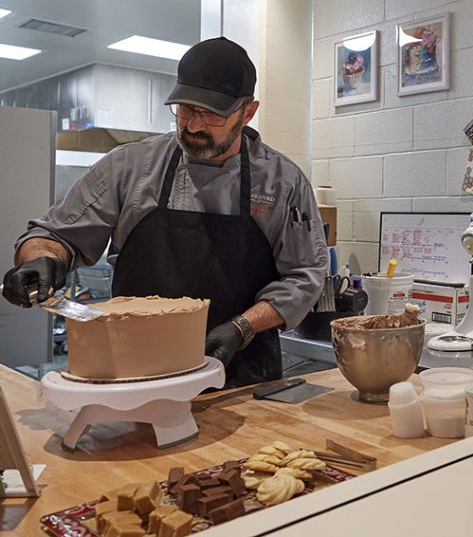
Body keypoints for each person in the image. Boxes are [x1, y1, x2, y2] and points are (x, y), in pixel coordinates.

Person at [1, 37, 328, 387]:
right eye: (185, 109)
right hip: (134, 368)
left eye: (209, 114)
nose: (192, 126)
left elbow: (305, 274)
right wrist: (39, 260)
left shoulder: (282, 182)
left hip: (241, 372)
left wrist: (241, 328)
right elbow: (54, 235)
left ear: (247, 112)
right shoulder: (131, 167)